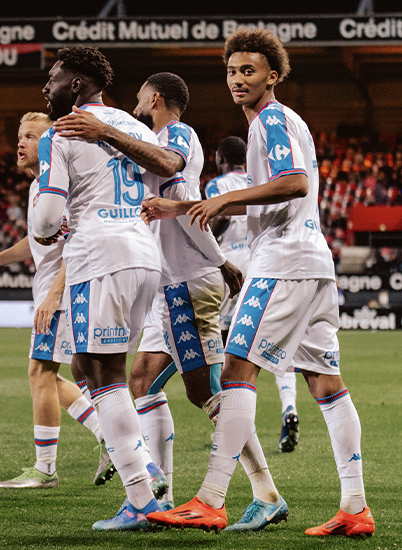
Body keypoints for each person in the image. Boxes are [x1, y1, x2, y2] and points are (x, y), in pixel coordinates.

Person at [143, 28, 374, 538]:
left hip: (283, 262)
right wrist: (181, 207)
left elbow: (294, 182)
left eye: (248, 71)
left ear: (273, 75)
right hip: (313, 262)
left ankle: (210, 499)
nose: (238, 79)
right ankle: (355, 507)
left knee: (237, 368)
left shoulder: (270, 118)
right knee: (326, 384)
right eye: (231, 71)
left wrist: (223, 200)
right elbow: (279, 190)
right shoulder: (284, 121)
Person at [53, 72, 285, 531]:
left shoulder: (173, 134)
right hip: (170, 281)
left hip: (188, 280)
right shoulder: (145, 142)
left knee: (206, 391)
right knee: (139, 382)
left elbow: (182, 196)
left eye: (140, 97)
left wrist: (218, 261)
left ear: (155, 98)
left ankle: (265, 491)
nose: (134, 103)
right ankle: (157, 495)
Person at [30, 46, 171, 531]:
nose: (45, 87)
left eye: (52, 79)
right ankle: (143, 470)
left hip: (99, 256)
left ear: (75, 85)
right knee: (86, 364)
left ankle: (140, 494)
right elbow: (168, 164)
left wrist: (46, 232)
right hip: (142, 255)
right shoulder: (136, 125)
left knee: (104, 373)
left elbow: (48, 216)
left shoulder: (61, 131)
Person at [0, 112, 111, 489]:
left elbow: (74, 247)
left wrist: (54, 294)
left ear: (50, 144)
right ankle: (108, 434)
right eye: (20, 135)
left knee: (40, 372)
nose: (21, 142)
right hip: (54, 290)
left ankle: (46, 468)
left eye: (31, 136)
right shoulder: (38, 188)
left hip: (63, 291)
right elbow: (37, 244)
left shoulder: (60, 185)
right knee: (56, 374)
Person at [205, 136, 300, 454]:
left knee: (223, 345)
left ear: (219, 159)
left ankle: (235, 422)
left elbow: (216, 224)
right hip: (263, 263)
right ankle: (289, 406)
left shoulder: (217, 187)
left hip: (230, 266)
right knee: (274, 345)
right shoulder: (261, 183)